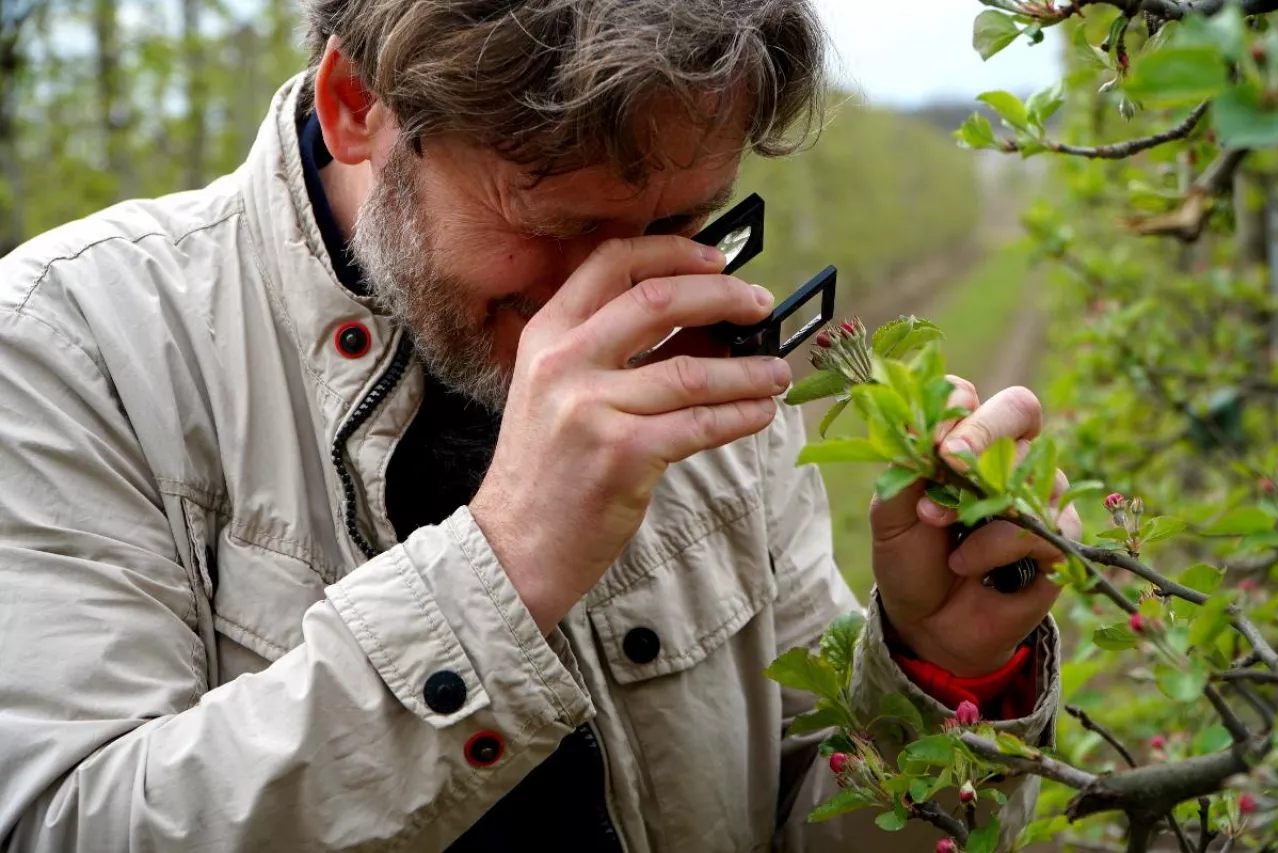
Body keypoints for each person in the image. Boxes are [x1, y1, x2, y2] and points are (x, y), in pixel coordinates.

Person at [0, 1, 1081, 850]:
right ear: (356, 108)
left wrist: (936, 673)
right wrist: (506, 561)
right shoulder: (76, 341)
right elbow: (65, 822)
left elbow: (805, 819)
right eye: (562, 224)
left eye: (680, 223)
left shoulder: (700, 345)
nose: (615, 298)